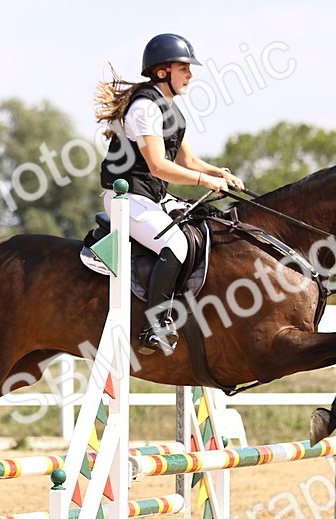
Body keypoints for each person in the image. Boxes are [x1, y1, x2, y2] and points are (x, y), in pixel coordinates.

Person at [95, 33, 246, 355]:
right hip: (127, 198)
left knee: (205, 227)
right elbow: (159, 167)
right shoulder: (145, 108)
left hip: (151, 196)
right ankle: (155, 325)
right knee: (175, 244)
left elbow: (186, 160)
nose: (190, 75)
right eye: (184, 69)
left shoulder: (169, 108)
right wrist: (204, 182)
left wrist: (218, 172)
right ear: (163, 71)